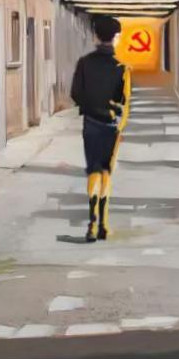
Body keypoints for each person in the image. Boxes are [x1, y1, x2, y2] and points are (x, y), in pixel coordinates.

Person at [70, 15, 131, 242]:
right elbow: (124, 101)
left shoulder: (84, 63)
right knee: (106, 172)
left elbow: (75, 94)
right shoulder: (122, 68)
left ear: (96, 36)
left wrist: (90, 107)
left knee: (93, 171)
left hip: (90, 124)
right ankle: (103, 224)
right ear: (116, 38)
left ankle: (91, 223)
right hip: (110, 126)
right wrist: (116, 120)